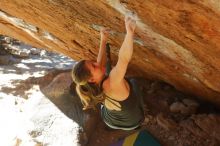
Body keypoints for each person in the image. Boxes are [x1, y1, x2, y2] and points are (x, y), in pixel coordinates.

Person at [72, 16, 144, 130]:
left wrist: (103, 39)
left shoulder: (92, 85)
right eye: (93, 66)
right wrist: (129, 33)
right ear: (91, 79)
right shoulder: (113, 82)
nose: (96, 63)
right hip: (132, 122)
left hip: (109, 119)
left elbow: (100, 63)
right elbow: (123, 59)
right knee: (134, 82)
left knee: (106, 69)